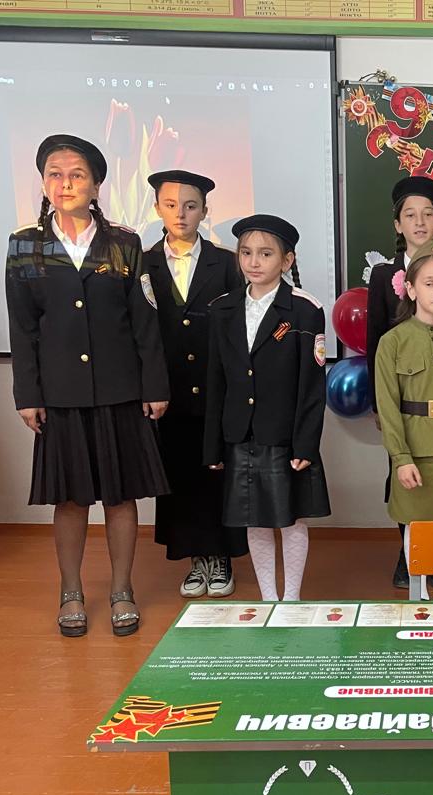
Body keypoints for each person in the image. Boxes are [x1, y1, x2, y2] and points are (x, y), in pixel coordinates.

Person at [6, 134, 169, 638]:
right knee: (71, 499)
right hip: (60, 394)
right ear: (43, 183)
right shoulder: (25, 245)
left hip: (121, 390)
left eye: (76, 174)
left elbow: (145, 321)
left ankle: (122, 590)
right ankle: (71, 591)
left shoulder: (124, 243)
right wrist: (28, 395)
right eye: (54, 174)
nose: (65, 183)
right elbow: (23, 328)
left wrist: (154, 385)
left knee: (121, 498)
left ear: (96, 185)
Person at [203, 215, 331, 602]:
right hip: (240, 434)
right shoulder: (222, 309)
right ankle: (268, 599)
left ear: (287, 260)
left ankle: (291, 598)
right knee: (253, 519)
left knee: (289, 518)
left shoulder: (305, 310)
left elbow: (312, 387)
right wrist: (213, 446)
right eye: (246, 253)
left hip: (283, 436)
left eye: (265, 254)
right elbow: (216, 381)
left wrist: (305, 444)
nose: (254, 262)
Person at [366, 177, 433, 589]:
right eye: (410, 215)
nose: (419, 222)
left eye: (428, 214)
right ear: (398, 224)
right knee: (404, 480)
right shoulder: (384, 276)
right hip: (402, 398)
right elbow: (374, 340)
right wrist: (380, 407)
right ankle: (408, 553)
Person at [143, 169, 247, 599]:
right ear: (157, 208)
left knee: (216, 473)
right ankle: (194, 559)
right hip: (167, 390)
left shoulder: (226, 263)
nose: (180, 214)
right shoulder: (142, 263)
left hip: (215, 387)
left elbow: (240, 327)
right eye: (171, 205)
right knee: (179, 474)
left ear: (205, 211)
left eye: (190, 206)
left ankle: (220, 557)